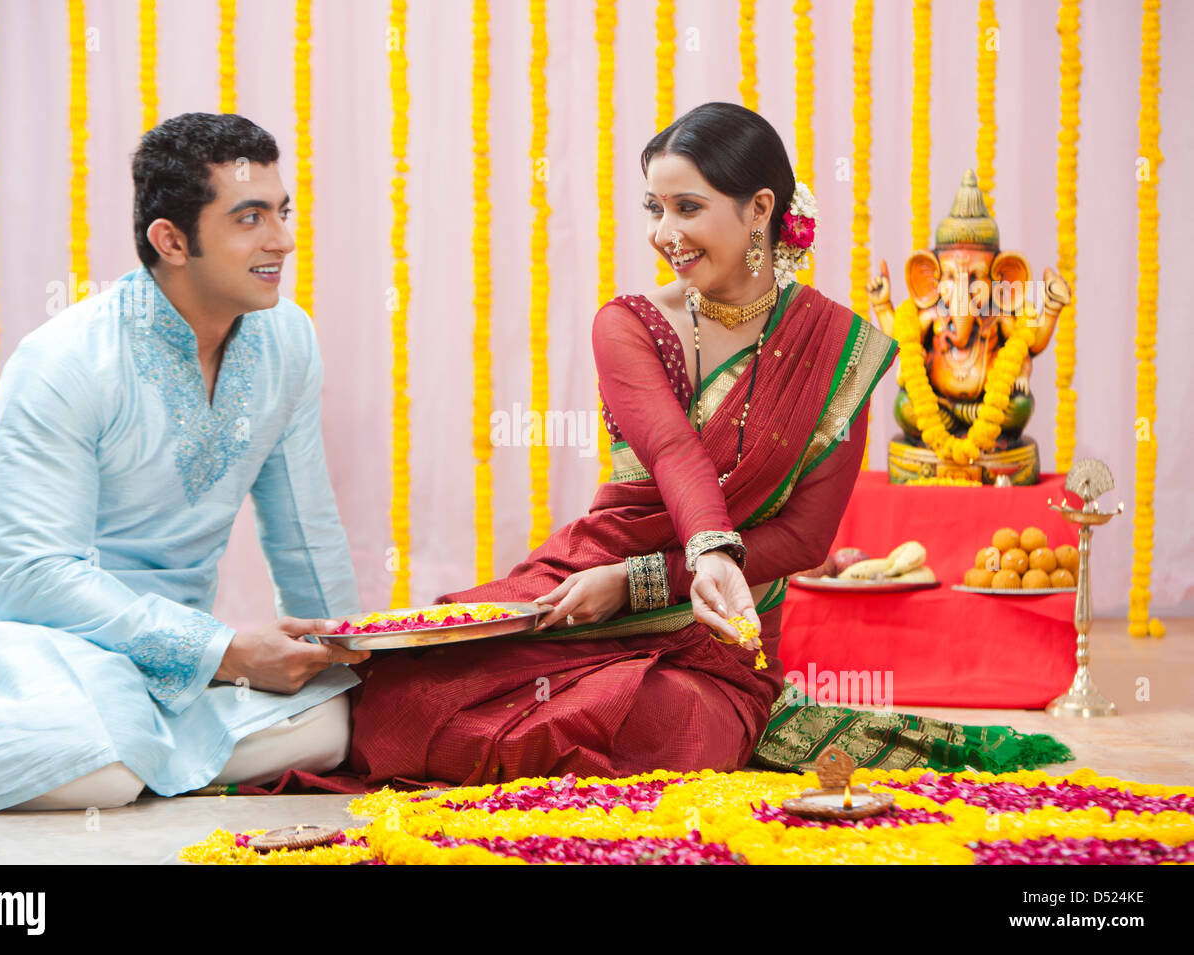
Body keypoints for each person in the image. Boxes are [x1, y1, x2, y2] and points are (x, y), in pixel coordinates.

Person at [339, 103, 906, 788]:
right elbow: (673, 451)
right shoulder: (631, 324)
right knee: (403, 695)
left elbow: (807, 537)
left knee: (670, 723)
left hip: (712, 644)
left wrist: (640, 584)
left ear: (760, 208)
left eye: (687, 208)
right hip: (579, 592)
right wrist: (666, 564)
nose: (664, 233)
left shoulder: (836, 352)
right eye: (654, 209)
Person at [0, 113, 369, 813]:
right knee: (104, 757)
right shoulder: (65, 361)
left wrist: (344, 647)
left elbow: (303, 523)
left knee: (327, 723)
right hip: (29, 620)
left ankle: (72, 745)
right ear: (171, 240)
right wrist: (224, 653)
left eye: (281, 211)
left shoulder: (287, 342)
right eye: (249, 218)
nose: (282, 240)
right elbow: (32, 575)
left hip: (169, 638)